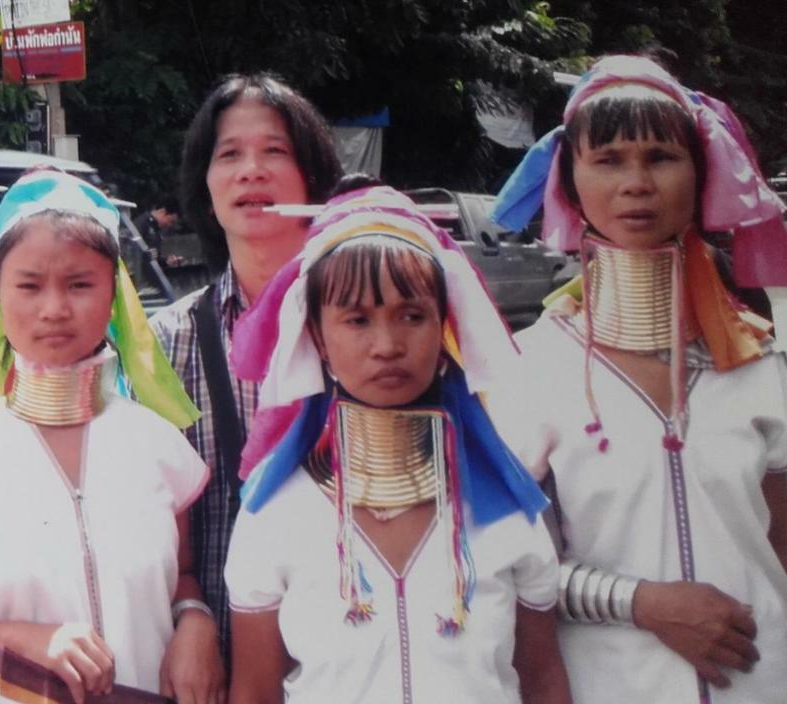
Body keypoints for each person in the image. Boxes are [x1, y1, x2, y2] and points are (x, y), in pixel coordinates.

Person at [490, 54, 787, 703]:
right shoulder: (530, 369)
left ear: (702, 175)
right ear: (570, 182)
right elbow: (502, 564)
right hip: (608, 685)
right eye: (609, 159)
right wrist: (642, 602)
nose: (636, 183)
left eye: (660, 156)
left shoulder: (761, 367)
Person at [223, 182, 569, 703]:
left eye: (412, 316)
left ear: (443, 326)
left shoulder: (506, 512)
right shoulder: (274, 515)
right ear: (316, 336)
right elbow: (253, 693)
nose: (387, 346)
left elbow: (543, 682)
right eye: (357, 320)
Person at [0, 169, 221, 703]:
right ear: (0, 296)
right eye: (29, 285)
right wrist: (9, 641)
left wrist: (195, 619)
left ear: (115, 294)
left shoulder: (159, 445)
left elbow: (181, 574)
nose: (54, 309)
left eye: (79, 284)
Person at [150, 73, 343, 660]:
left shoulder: (372, 328)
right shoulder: (167, 343)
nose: (251, 170)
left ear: (312, 176)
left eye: (275, 151)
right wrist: (189, 614)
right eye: (229, 154)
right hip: (220, 664)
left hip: (352, 663)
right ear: (205, 187)